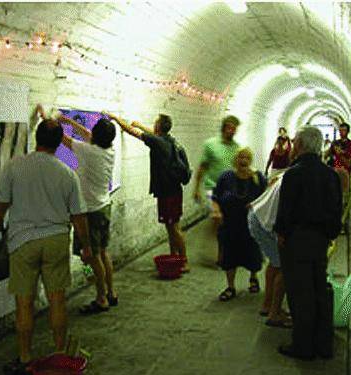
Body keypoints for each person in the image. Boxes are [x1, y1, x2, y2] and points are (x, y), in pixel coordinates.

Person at [0, 118, 92, 375]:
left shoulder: (14, 167)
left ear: (37, 138)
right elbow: (79, 217)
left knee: (25, 304)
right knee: (57, 301)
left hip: (23, 242)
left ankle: (25, 358)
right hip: (56, 240)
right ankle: (61, 354)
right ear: (57, 143)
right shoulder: (67, 174)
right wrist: (85, 246)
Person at [274, 126, 342, 360]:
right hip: (320, 240)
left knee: (300, 293)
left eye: (294, 142)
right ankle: (323, 344)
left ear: (301, 145)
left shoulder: (293, 174)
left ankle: (303, 346)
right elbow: (336, 210)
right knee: (318, 289)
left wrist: (281, 234)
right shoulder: (330, 174)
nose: (292, 146)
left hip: (297, 240)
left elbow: (286, 211)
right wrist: (330, 234)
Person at [43, 107, 118, 314]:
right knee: (102, 253)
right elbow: (88, 135)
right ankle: (111, 292)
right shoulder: (108, 151)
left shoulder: (88, 151)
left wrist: (47, 119)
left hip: (90, 213)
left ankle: (101, 297)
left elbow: (62, 139)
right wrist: (66, 118)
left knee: (90, 258)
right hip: (103, 207)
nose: (89, 133)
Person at [107, 112, 190, 273]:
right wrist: (138, 124)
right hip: (172, 190)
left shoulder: (158, 142)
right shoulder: (168, 140)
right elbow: (151, 134)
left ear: (158, 126)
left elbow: (133, 133)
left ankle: (184, 261)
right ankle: (174, 257)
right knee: (170, 226)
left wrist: (116, 118)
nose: (154, 126)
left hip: (169, 193)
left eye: (155, 123)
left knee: (174, 228)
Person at [212, 147, 267, 301]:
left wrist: (257, 207)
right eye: (240, 157)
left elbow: (266, 197)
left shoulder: (258, 178)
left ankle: (253, 277)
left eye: (246, 158)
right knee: (229, 255)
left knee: (253, 254)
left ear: (250, 160)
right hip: (230, 224)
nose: (243, 160)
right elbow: (215, 197)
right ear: (235, 160)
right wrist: (217, 211)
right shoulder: (226, 177)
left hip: (251, 224)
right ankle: (231, 287)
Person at [193, 115, 241, 264]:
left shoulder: (237, 148)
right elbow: (203, 167)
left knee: (224, 223)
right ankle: (220, 254)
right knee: (217, 217)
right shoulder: (211, 145)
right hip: (212, 187)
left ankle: (219, 248)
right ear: (223, 127)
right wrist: (196, 188)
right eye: (229, 127)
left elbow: (238, 169)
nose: (231, 131)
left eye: (234, 129)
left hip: (230, 190)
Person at [248, 171, 291, 327]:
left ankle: (268, 306)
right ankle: (274, 312)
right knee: (283, 266)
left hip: (258, 216)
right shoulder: (299, 178)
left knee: (275, 262)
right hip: (263, 222)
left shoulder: (290, 172)